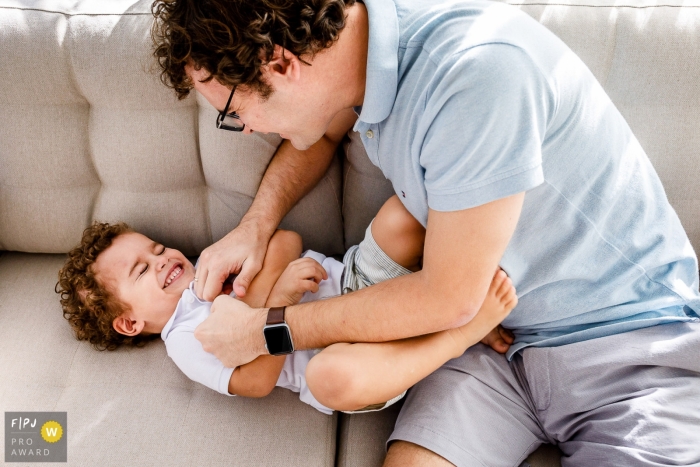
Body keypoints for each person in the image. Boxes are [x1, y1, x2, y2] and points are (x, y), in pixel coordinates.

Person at [151, 0, 700, 465]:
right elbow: (318, 135)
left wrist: (263, 331)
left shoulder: (474, 74)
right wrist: (255, 226)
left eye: (230, 109)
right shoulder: (354, 57)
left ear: (281, 62)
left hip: (623, 347)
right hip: (492, 344)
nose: (243, 128)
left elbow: (447, 297)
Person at [55, 197, 517, 414]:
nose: (161, 261)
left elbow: (284, 240)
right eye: (141, 272)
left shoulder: (212, 265)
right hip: (350, 354)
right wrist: (275, 301)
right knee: (331, 380)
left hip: (362, 286)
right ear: (130, 322)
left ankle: (453, 292)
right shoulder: (184, 339)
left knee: (401, 217)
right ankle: (459, 334)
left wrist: (254, 319)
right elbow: (255, 380)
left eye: (155, 249)